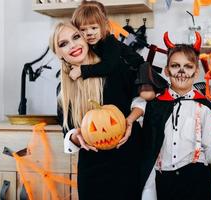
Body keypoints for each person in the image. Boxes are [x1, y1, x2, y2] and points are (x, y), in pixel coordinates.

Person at [50, 21, 144, 200]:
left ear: (86, 39)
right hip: (91, 169)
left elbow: (142, 98)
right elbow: (67, 130)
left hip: (128, 161)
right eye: (63, 44)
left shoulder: (115, 68)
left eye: (76, 37)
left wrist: (131, 119)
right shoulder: (63, 90)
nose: (73, 45)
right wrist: (75, 137)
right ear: (59, 53)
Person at [140, 44, 211, 200]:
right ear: (167, 71)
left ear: (196, 73)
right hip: (164, 181)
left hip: (196, 180)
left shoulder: (205, 107)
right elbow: (147, 149)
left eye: (188, 67)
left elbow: (210, 155)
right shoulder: (155, 105)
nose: (181, 72)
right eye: (175, 66)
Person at [70, 0, 162, 100]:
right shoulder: (91, 44)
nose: (89, 33)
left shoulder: (109, 41)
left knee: (139, 97)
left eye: (94, 28)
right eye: (83, 30)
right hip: (120, 77)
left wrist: (82, 70)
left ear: (104, 25)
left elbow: (108, 66)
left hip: (138, 73)